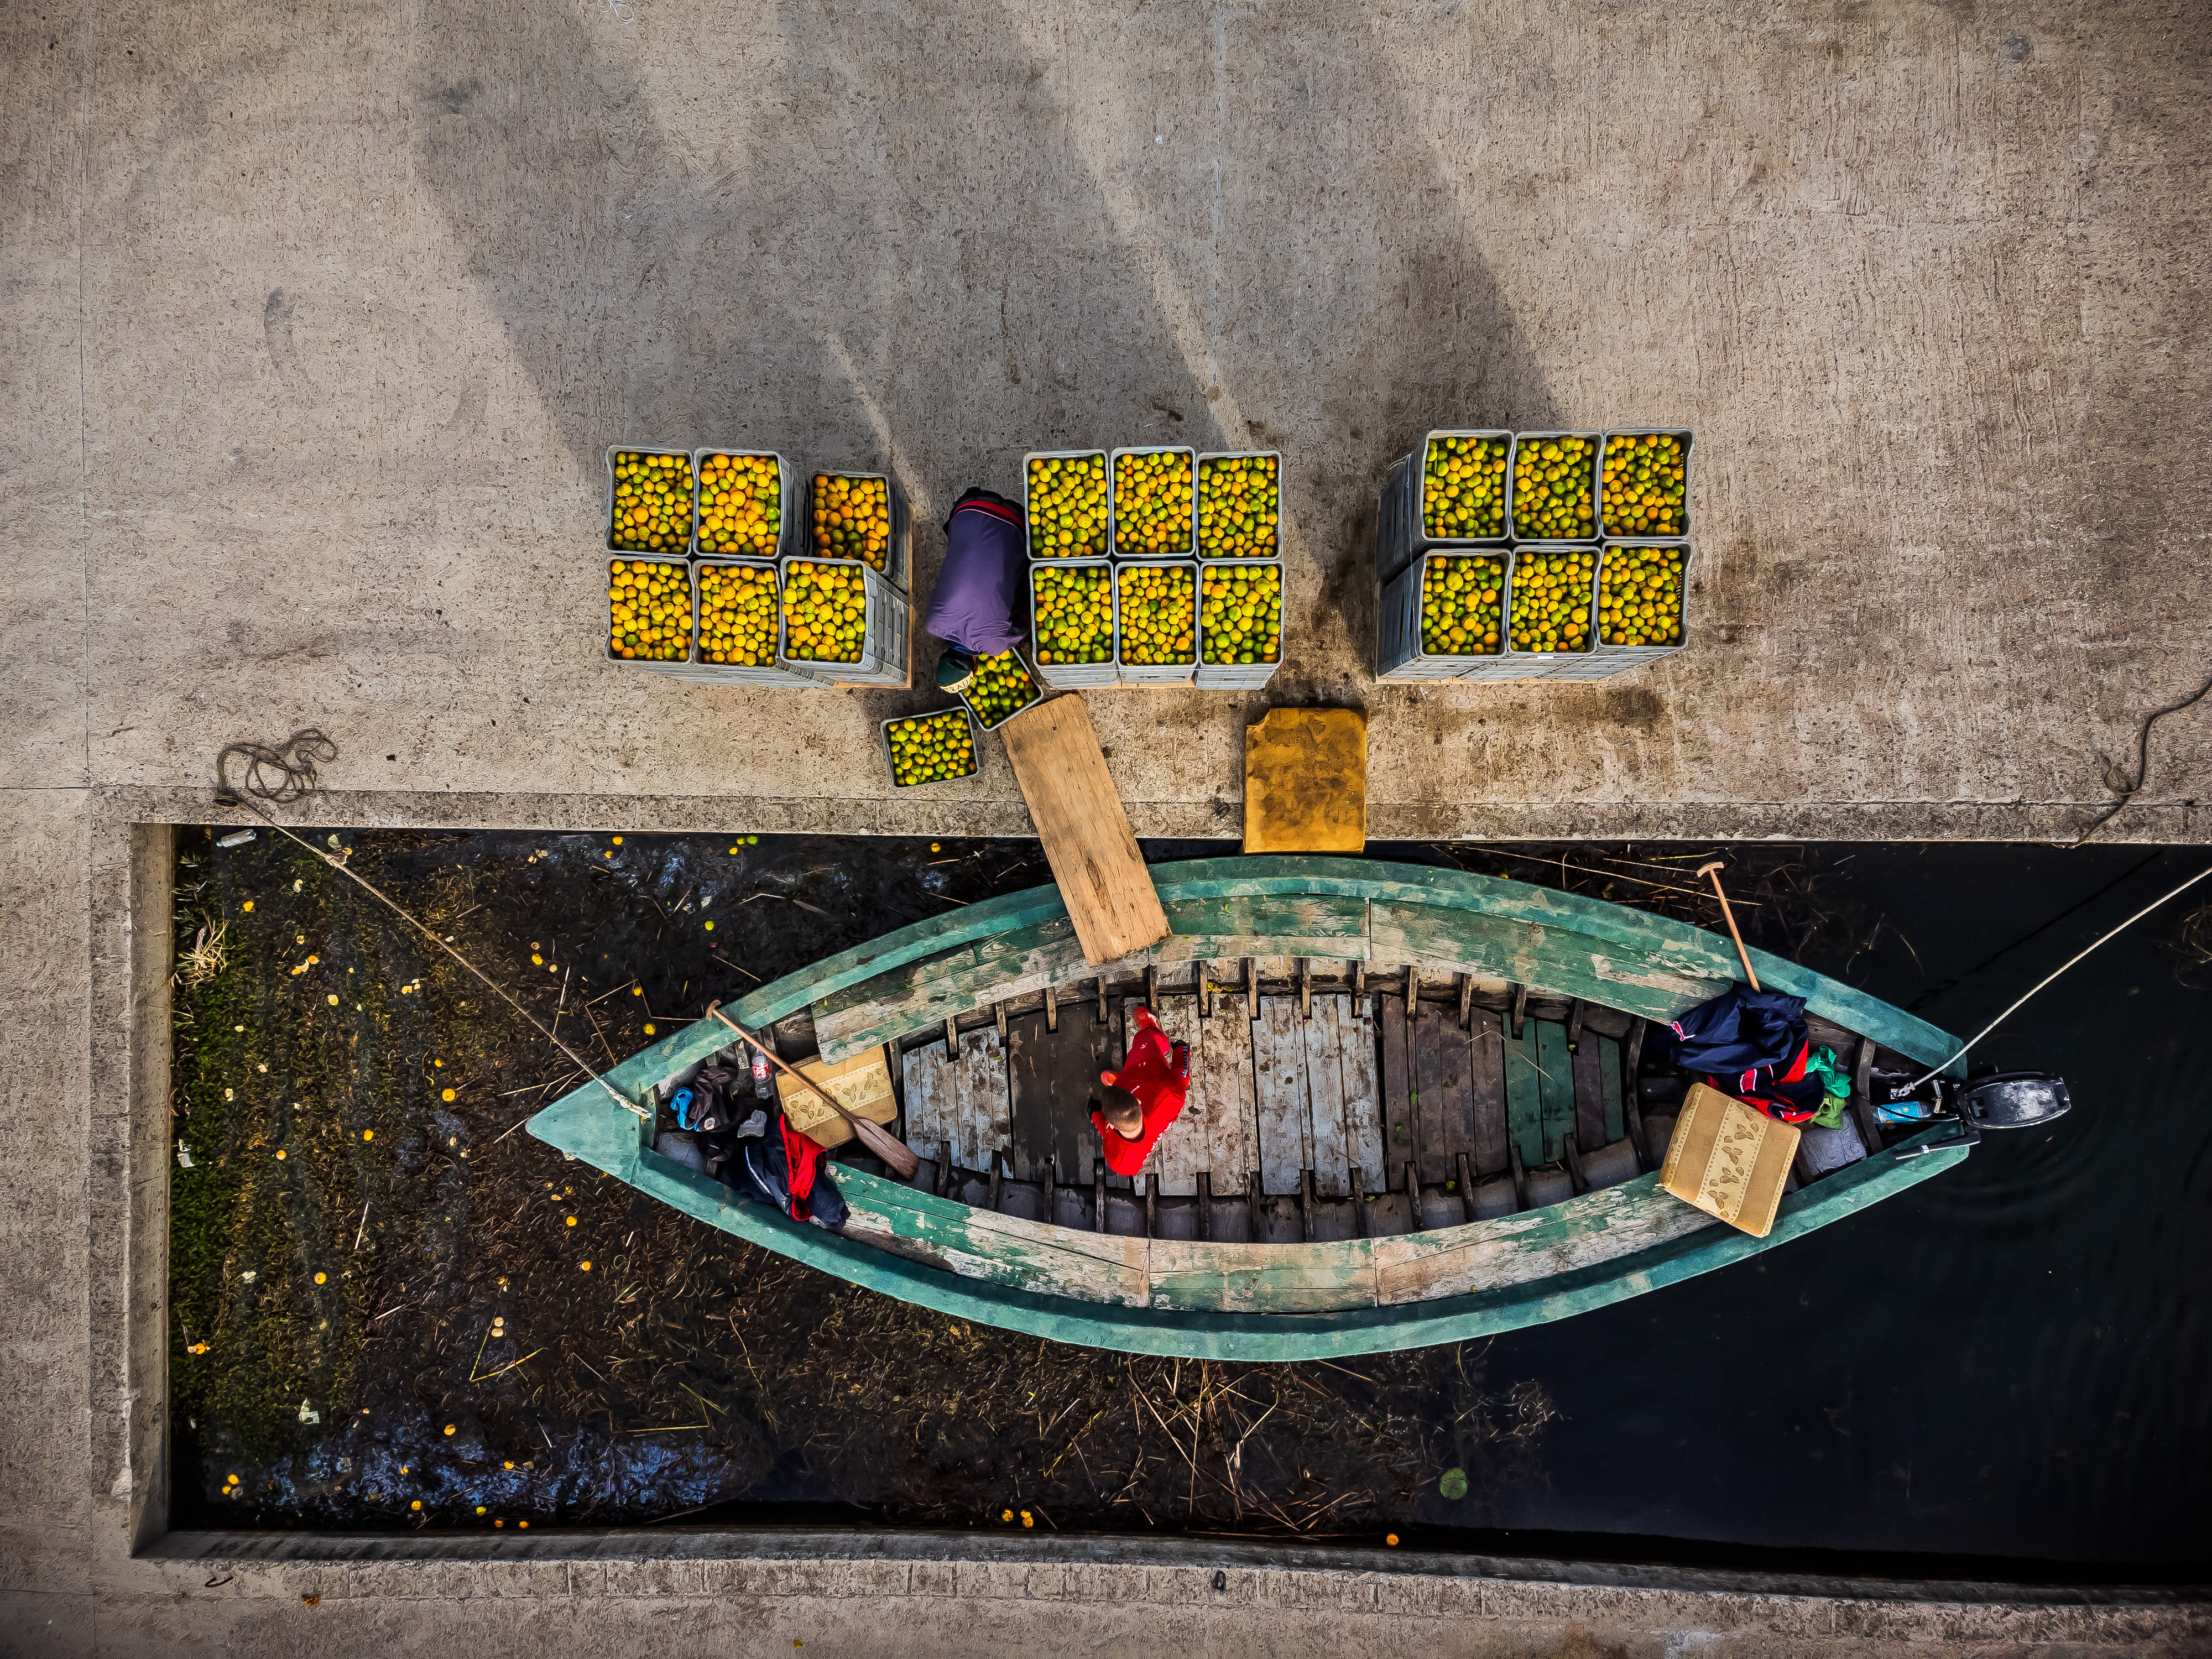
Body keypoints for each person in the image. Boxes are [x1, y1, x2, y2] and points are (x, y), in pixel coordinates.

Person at [922, 487, 1027, 691]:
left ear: (976, 667)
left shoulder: (995, 646)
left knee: (1019, 595)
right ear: (940, 656)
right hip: (968, 506)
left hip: (1017, 522)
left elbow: (1027, 620)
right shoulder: (932, 623)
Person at [1090, 1005, 1191, 1177]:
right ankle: (1156, 1034)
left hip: (1134, 1081)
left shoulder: (1122, 1164)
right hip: (1150, 1073)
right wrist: (1180, 1049)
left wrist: (1095, 1115)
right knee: (1143, 1037)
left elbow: (1104, 1130)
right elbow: (1180, 1076)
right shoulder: (1170, 1096)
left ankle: (1122, 1083)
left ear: (1112, 1125)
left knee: (1126, 1078)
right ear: (1137, 1100)